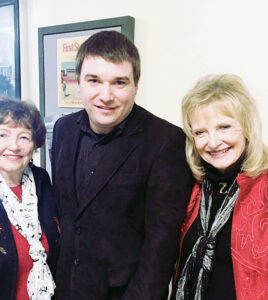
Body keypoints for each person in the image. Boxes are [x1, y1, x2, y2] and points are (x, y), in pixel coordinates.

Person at [51, 30, 193, 299]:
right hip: (66, 289)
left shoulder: (166, 142)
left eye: (119, 82)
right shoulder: (63, 129)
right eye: (94, 80)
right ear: (78, 82)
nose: (106, 95)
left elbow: (160, 248)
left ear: (136, 85)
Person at [171, 74, 268, 300]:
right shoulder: (190, 187)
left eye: (224, 127)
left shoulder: (263, 187)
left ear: (246, 127)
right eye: (200, 132)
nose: (213, 142)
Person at [0, 96, 60, 299]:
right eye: (2, 135)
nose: (14, 146)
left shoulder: (42, 182)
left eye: (24, 137)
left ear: (34, 144)